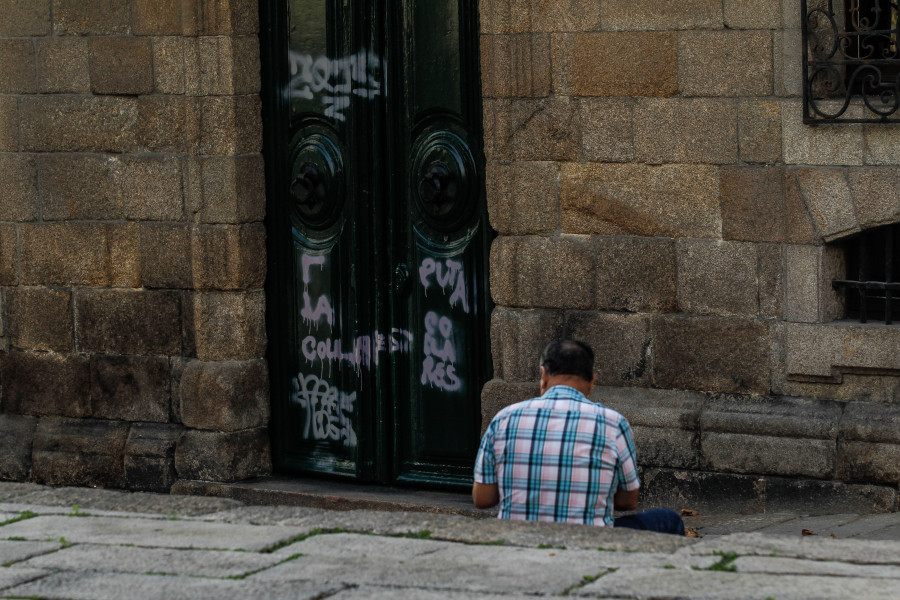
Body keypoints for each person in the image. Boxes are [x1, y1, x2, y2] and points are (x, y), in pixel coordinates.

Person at [472, 339, 684, 535]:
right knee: (668, 520)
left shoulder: (504, 418)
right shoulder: (613, 423)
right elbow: (629, 501)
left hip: (517, 538)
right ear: (592, 381)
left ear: (544, 375)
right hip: (588, 540)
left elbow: (482, 499)